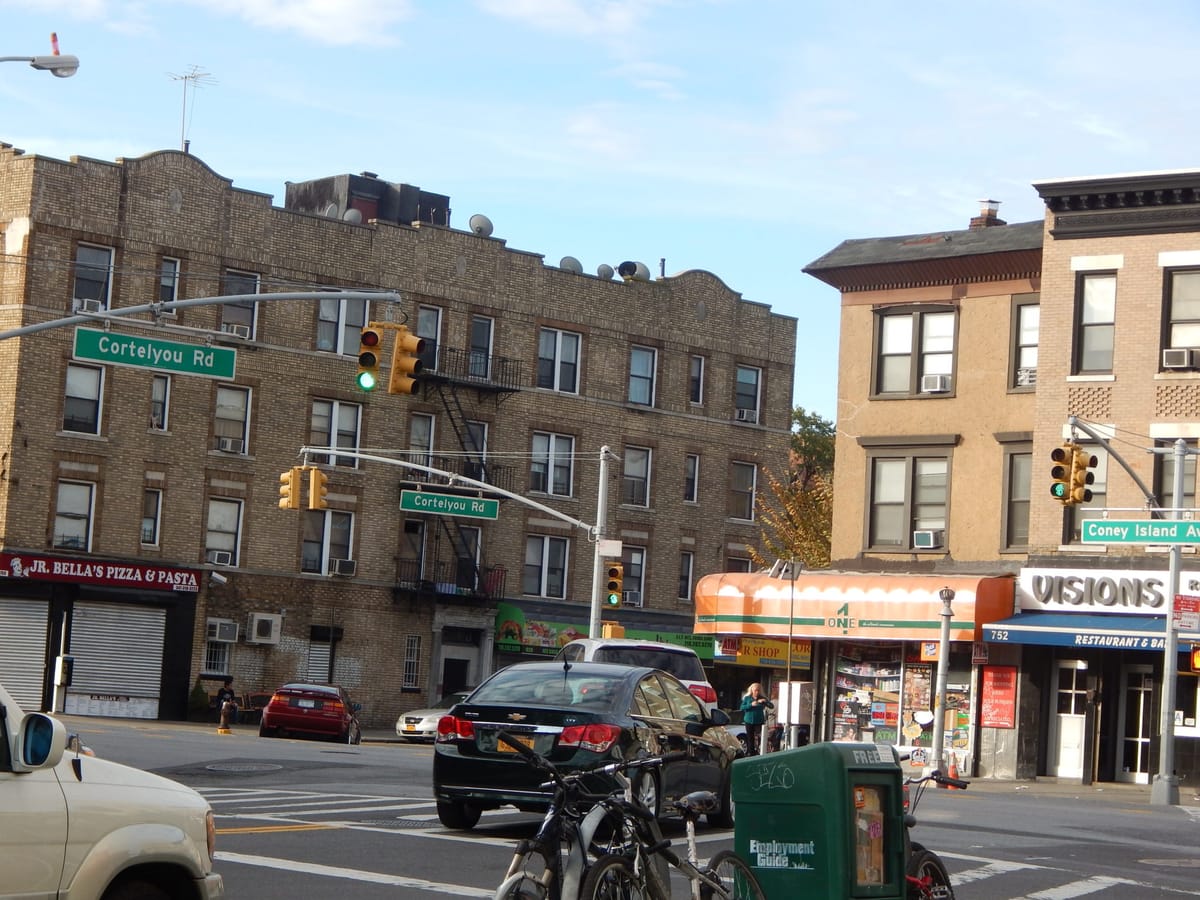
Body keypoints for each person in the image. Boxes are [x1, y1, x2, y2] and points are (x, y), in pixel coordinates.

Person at [740, 682, 773, 754]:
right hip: (749, 721)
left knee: (761, 736)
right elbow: (742, 707)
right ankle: (750, 752)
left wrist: (765, 702)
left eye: (758, 690)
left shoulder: (762, 698)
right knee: (750, 738)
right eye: (755, 690)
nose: (757, 692)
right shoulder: (747, 698)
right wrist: (750, 705)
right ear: (752, 690)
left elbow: (771, 706)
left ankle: (760, 750)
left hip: (759, 721)